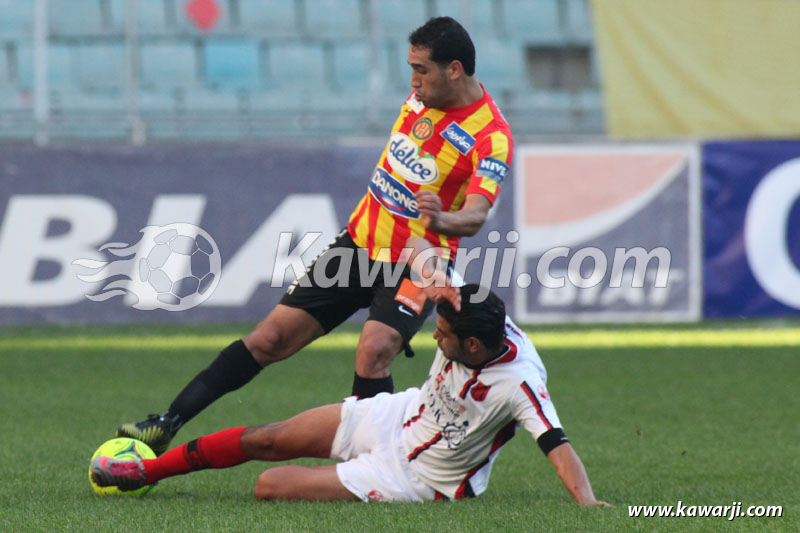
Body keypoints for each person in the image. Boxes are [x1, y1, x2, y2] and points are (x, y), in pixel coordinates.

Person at [116, 16, 513, 456]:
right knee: (270, 339)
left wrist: (441, 221)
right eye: (411, 69)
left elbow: (475, 215)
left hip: (418, 262)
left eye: (421, 70)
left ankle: (376, 467)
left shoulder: (490, 136)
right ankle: (166, 423)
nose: (413, 81)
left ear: (454, 70)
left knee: (374, 349)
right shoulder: (421, 100)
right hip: (357, 246)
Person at [93, 285, 608, 506]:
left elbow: (557, 445)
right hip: (397, 414)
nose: (434, 337)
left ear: (473, 345)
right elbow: (428, 263)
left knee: (269, 486)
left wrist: (587, 503)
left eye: (443, 335)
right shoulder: (469, 311)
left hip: (417, 477)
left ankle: (355, 474)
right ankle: (146, 472)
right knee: (265, 439)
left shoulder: (519, 383)